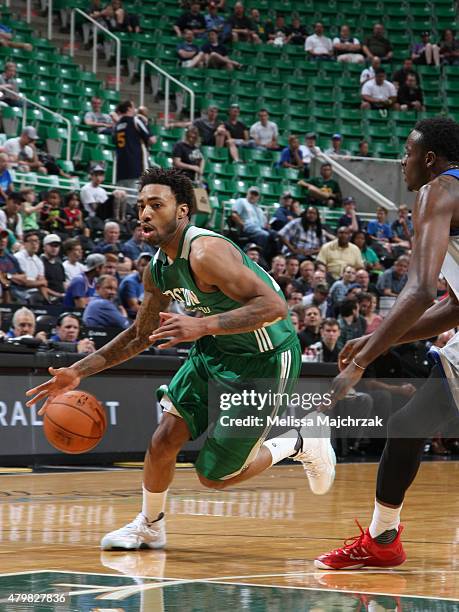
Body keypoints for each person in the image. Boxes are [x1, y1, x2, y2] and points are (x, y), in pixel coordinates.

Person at [27, 167, 336, 552]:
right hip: (214, 350)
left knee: (216, 475)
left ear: (183, 212)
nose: (144, 213)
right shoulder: (156, 268)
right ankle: (150, 526)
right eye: (141, 205)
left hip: (265, 360)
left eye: (156, 205)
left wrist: (202, 325)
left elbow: (274, 307)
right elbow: (141, 335)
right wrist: (78, 370)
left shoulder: (206, 253)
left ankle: (301, 441)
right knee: (163, 440)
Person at [315, 117, 459, 570]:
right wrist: (370, 339)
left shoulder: (438, 191)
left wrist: (364, 358)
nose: (402, 161)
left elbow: (418, 291)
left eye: (408, 152)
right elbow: (455, 307)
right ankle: (382, 539)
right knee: (408, 424)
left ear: (430, 160)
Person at [113, 100, 154, 194]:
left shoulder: (117, 125)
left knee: (122, 202)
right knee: (135, 201)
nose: (135, 109)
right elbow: (152, 139)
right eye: (133, 107)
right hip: (136, 166)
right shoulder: (135, 120)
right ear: (129, 109)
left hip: (120, 169)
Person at [14, 230, 48, 303]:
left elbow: (44, 283)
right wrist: (39, 282)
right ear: (24, 243)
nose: (34, 244)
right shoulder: (18, 257)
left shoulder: (39, 261)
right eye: (31, 241)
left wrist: (38, 282)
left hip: (36, 293)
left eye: (37, 241)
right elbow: (24, 282)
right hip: (21, 293)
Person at [119, 252, 152, 319]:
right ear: (137, 266)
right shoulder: (129, 282)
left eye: (149, 266)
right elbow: (134, 307)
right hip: (130, 317)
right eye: (143, 265)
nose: (146, 268)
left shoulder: (149, 280)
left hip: (141, 314)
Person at [41, 234, 66, 303]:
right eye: (51, 245)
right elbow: (41, 285)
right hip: (47, 299)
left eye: (56, 246)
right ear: (44, 247)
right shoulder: (40, 263)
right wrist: (58, 295)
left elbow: (63, 283)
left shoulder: (59, 264)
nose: (54, 248)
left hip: (61, 299)